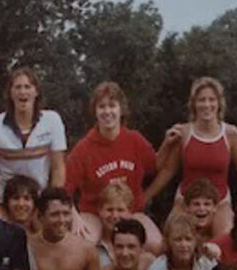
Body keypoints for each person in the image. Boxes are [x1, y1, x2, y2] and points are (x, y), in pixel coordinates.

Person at [65, 81, 168, 252]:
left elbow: (155, 167)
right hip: (93, 213)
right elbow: (65, 188)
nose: (107, 112)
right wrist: (74, 217)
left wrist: (168, 144)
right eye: (101, 107)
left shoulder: (135, 140)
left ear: (121, 109)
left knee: (156, 244)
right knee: (81, 245)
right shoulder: (84, 148)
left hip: (130, 212)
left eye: (112, 106)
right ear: (95, 112)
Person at [158, 77, 237, 237]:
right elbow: (168, 170)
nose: (207, 105)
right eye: (201, 100)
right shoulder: (183, 133)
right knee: (172, 238)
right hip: (185, 200)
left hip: (220, 201)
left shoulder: (231, 133)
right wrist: (145, 196)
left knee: (225, 240)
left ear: (219, 103)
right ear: (194, 104)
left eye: (212, 100)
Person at [0, 67, 67, 195]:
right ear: (10, 93)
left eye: (27, 87)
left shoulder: (52, 120)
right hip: (5, 198)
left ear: (36, 91)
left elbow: (58, 168)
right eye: (18, 87)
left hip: (40, 196)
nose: (23, 92)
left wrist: (53, 199)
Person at [29, 187, 99, 270]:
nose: (62, 220)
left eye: (66, 214)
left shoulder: (86, 249)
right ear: (41, 217)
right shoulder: (27, 247)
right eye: (55, 214)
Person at [182, 178, 220, 243]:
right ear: (187, 207)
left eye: (207, 204)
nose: (201, 208)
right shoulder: (179, 232)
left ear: (215, 207)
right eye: (196, 204)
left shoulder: (220, 233)